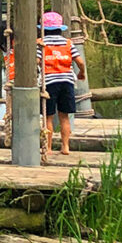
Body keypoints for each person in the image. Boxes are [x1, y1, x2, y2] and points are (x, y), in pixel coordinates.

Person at [37, 11, 86, 155]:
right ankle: (65, 147)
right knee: (64, 117)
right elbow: (80, 61)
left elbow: (37, 61)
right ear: (61, 28)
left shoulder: (42, 44)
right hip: (67, 82)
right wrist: (81, 72)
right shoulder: (68, 43)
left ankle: (49, 147)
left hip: (50, 82)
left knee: (48, 117)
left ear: (43, 29)